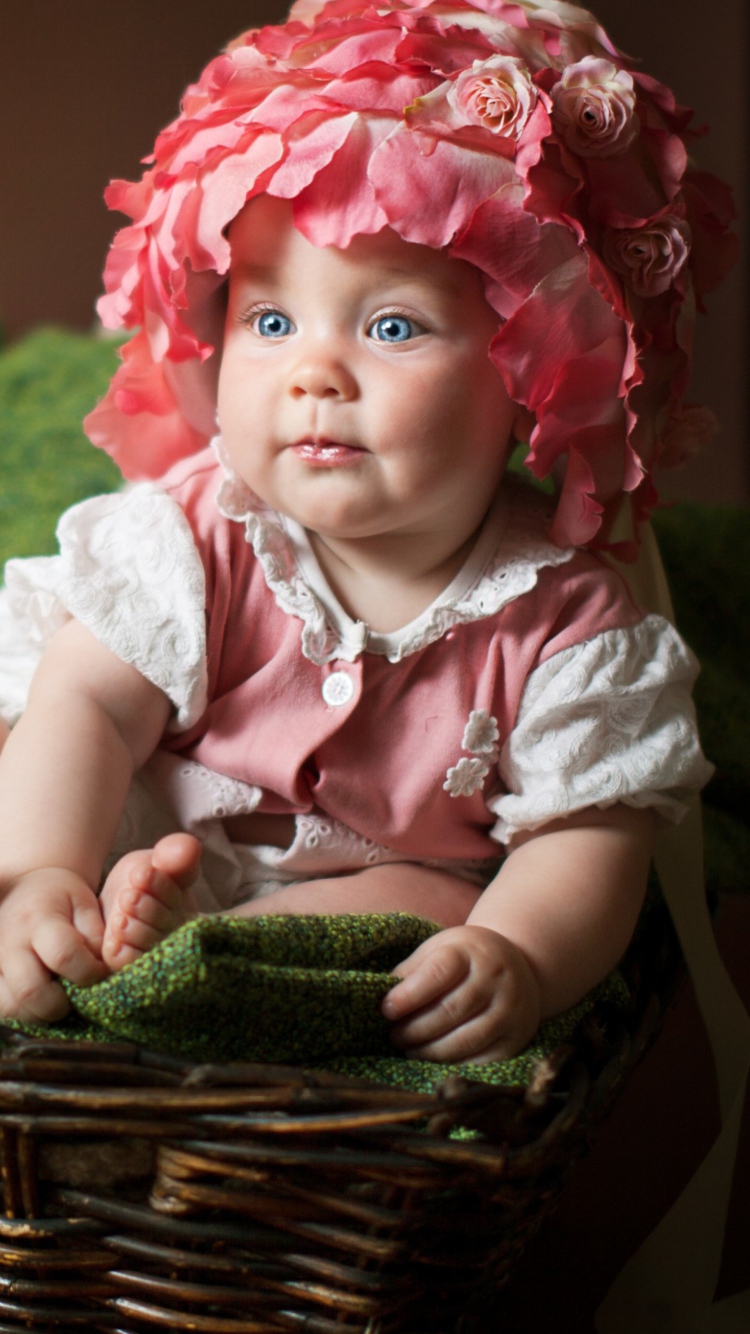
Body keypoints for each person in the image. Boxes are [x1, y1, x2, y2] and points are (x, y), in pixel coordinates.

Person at [0, 0, 733, 1066]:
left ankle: (217, 962)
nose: (314, 371)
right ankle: (96, 920)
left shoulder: (566, 620)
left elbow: (590, 836)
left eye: (393, 326)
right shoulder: (194, 534)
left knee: (442, 906)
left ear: (527, 373)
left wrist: (521, 955)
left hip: (366, 891)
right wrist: (39, 873)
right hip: (141, 824)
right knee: (39, 751)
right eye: (270, 320)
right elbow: (92, 711)